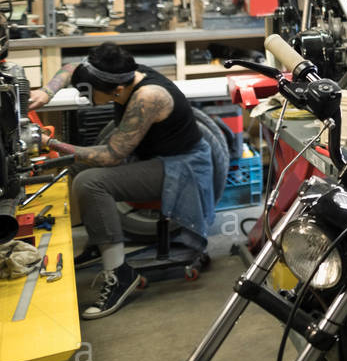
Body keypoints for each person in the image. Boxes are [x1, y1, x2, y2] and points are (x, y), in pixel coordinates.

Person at [31, 42, 214, 319]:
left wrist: (51, 143)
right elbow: (70, 67)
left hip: (182, 168)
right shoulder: (120, 75)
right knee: (80, 167)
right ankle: (100, 244)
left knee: (91, 181)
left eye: (91, 95)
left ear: (116, 91)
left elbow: (112, 156)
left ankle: (120, 274)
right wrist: (46, 92)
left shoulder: (148, 97)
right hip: (152, 156)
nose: (87, 99)